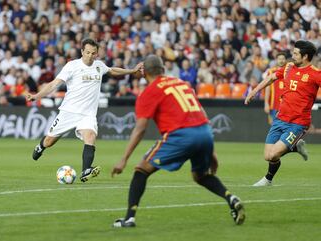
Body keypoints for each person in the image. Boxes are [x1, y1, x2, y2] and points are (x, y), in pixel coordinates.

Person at [111, 55, 245, 228]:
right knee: (201, 175)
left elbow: (140, 128)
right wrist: (211, 151)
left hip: (180, 135)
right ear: (163, 70)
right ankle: (230, 198)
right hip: (204, 132)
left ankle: (129, 218)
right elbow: (201, 114)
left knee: (141, 170)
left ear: (143, 72)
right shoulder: (183, 84)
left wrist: (124, 158)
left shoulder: (149, 92)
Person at [25, 38, 142, 183]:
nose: (90, 56)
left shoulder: (99, 65)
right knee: (49, 141)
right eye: (87, 52)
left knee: (90, 136)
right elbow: (54, 84)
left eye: (93, 53)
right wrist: (36, 96)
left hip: (88, 114)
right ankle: (40, 146)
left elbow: (112, 70)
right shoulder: (72, 66)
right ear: (82, 52)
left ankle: (86, 170)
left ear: (97, 54)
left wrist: (132, 70)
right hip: (69, 111)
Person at [245, 40, 320, 186]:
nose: (292, 55)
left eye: (296, 53)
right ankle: (295, 147)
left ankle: (268, 179)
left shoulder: (315, 74)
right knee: (268, 156)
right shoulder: (288, 67)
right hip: (280, 119)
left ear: (305, 57)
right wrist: (254, 91)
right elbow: (271, 78)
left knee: (274, 153)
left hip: (298, 123)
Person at [263, 52, 287, 124]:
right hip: (274, 105)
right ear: (276, 60)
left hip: (286, 106)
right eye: (279, 59)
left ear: (285, 60)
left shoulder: (290, 72)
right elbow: (267, 88)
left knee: (285, 127)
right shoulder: (271, 72)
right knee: (274, 126)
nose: (281, 60)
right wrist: (266, 103)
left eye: (283, 59)